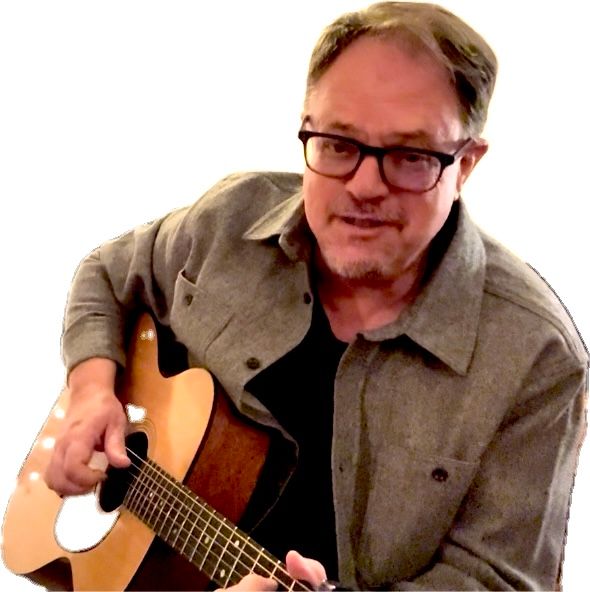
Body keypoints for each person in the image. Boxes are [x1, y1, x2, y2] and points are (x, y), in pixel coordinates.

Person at [44, 1, 587, 590]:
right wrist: (92, 390)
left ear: (466, 165)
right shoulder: (229, 219)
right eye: (338, 144)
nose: (364, 186)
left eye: (410, 156)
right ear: (306, 127)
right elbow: (106, 274)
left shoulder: (536, 355)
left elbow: (498, 580)